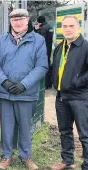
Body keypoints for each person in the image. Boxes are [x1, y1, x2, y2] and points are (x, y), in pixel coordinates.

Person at [0, 9, 48, 170]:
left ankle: (26, 156)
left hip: (26, 93)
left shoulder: (38, 40)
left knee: (25, 126)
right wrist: (4, 81)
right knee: (6, 127)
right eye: (14, 20)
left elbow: (42, 66)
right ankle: (6, 156)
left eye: (21, 19)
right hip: (6, 92)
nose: (17, 22)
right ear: (10, 22)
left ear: (27, 20)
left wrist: (24, 84)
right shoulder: (2, 40)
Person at [50, 15, 88, 170]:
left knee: (84, 134)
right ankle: (67, 161)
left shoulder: (85, 46)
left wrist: (76, 83)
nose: (67, 29)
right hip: (61, 97)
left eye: (71, 26)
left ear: (78, 27)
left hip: (79, 97)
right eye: (64, 26)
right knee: (64, 131)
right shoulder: (60, 47)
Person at [34, 16, 54, 89]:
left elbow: (39, 39)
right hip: (49, 49)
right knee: (48, 64)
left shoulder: (42, 29)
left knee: (43, 65)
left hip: (43, 50)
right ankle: (49, 84)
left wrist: (36, 30)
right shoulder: (50, 27)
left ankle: (45, 84)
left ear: (39, 22)